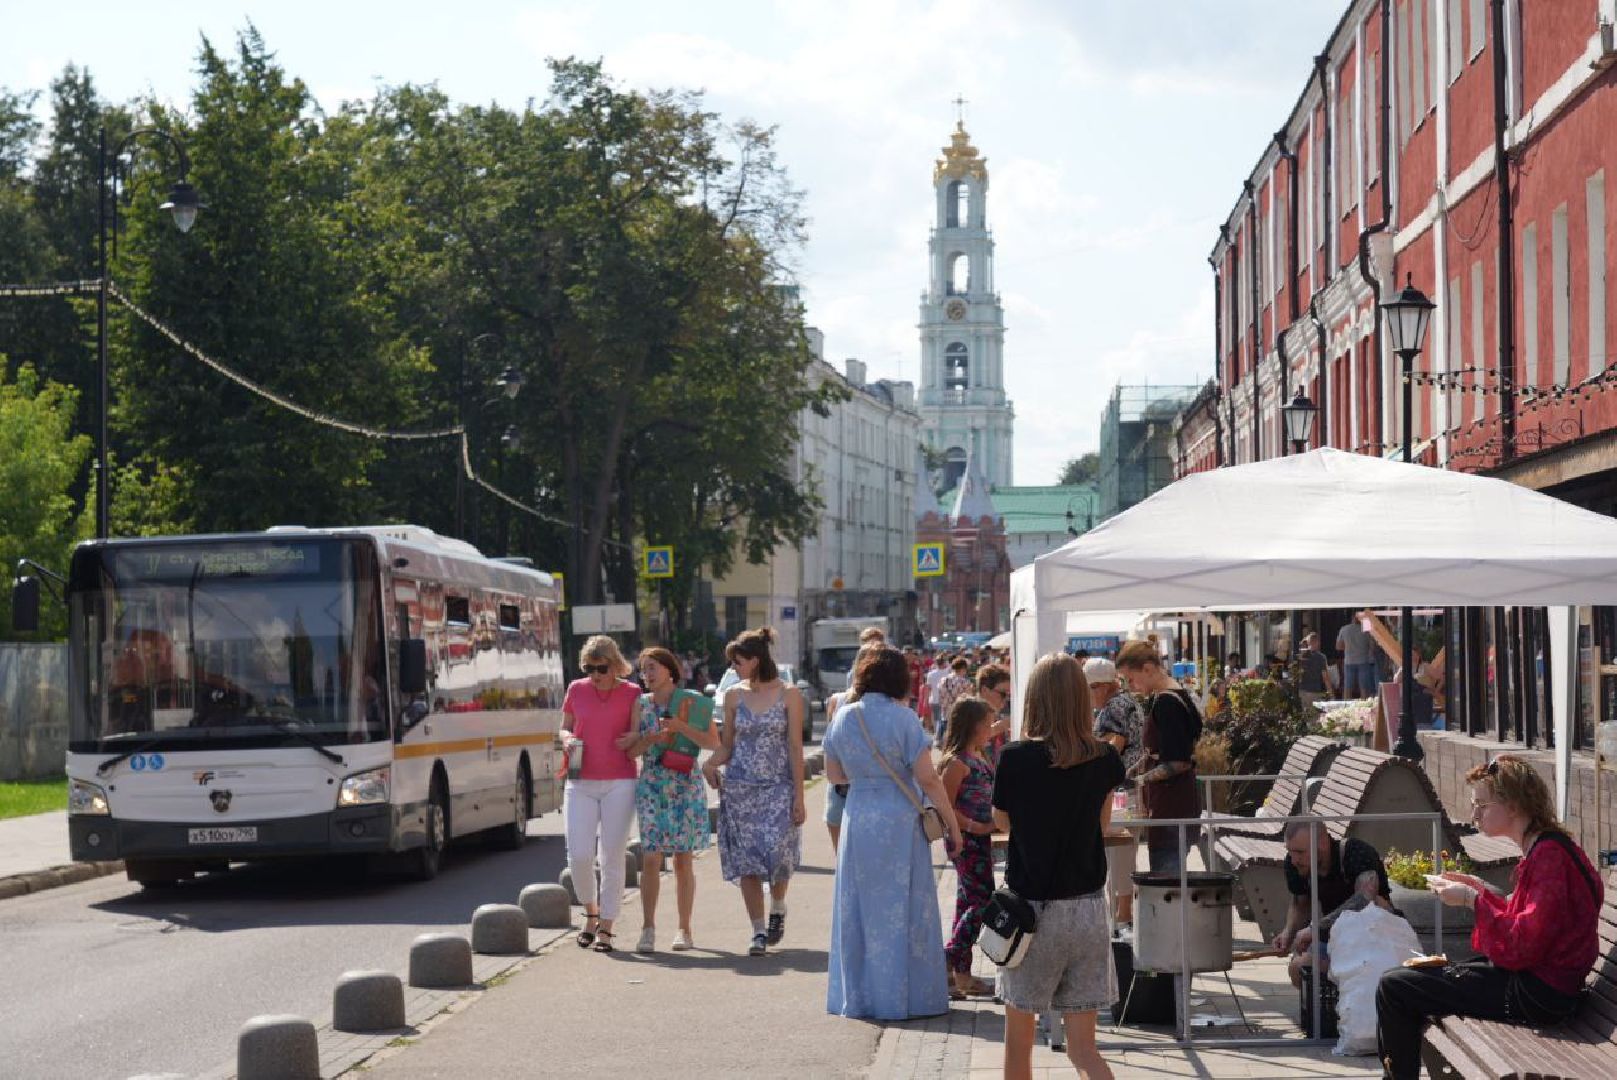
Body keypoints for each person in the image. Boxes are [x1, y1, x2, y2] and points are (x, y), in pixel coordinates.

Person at [1376, 756, 1602, 1079]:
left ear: (1514, 805)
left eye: (1481, 805)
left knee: (1395, 987)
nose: (1474, 814)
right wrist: (1478, 888)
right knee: (1404, 979)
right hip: (1540, 986)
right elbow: (1530, 922)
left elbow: (1524, 943)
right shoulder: (1547, 847)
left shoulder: (1549, 857)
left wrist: (1471, 900)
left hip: (1538, 995)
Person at [992, 653, 1124, 1080]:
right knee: (1084, 1050)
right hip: (1087, 910)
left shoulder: (1014, 758)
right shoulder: (1104, 758)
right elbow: (1101, 825)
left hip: (1032, 911)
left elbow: (1002, 822)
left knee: (1019, 1046)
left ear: (1034, 699)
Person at [824, 645, 960, 1019]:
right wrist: (951, 824)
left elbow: (834, 774)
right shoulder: (904, 718)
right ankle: (909, 997)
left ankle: (860, 997)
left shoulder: (843, 716)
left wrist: (864, 779)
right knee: (906, 905)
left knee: (859, 906)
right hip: (900, 820)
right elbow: (928, 778)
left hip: (858, 815)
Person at [704, 627, 806, 957]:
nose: (733, 668)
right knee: (747, 861)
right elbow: (727, 745)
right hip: (740, 789)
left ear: (756, 660)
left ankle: (777, 905)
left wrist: (799, 796)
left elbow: (795, 747)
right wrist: (709, 764)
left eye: (738, 662)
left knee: (778, 854)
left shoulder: (789, 694)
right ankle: (758, 930)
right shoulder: (734, 696)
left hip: (778, 786)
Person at [625, 647, 720, 954]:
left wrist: (681, 728)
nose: (647, 674)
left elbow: (713, 742)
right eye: (643, 670)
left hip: (685, 782)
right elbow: (631, 752)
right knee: (651, 857)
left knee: (682, 859)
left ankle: (684, 929)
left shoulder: (692, 701)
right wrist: (651, 739)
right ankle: (648, 928)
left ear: (670, 670)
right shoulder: (640, 704)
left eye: (652, 667)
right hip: (653, 783)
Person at [561, 635, 642, 953]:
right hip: (580, 780)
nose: (595, 675)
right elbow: (564, 726)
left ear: (615, 665)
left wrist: (633, 737)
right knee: (579, 855)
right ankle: (591, 912)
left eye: (601, 668)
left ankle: (607, 926)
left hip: (620, 780)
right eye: (589, 668)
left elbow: (637, 732)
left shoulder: (632, 692)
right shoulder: (576, 689)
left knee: (611, 854)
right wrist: (566, 739)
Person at [1115, 639, 1203, 875]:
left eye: (1130, 679)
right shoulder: (1172, 694)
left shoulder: (1167, 703)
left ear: (1147, 668)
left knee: (1166, 879)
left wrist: (1140, 780)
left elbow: (1178, 761)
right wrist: (1133, 770)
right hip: (1173, 802)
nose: (1130, 687)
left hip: (1172, 805)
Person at [1270, 820, 1393, 987]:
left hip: (1374, 937)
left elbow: (1365, 900)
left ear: (1322, 843)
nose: (1294, 860)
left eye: (1300, 852)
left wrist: (1316, 929)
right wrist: (1288, 933)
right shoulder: (1295, 863)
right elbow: (1300, 904)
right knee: (1298, 968)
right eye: (1290, 852)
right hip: (1333, 938)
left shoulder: (1356, 853)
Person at [938, 696, 998, 999]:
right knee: (982, 902)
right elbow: (945, 807)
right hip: (966, 841)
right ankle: (948, 958)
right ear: (972, 726)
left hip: (981, 840)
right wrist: (976, 827)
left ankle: (961, 976)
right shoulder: (956, 763)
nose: (990, 729)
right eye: (986, 724)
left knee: (966, 904)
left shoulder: (979, 756)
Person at [1086, 656, 1143, 931]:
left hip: (1121, 791)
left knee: (1120, 854)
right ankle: (1121, 915)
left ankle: (1123, 916)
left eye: (1090, 689)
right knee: (1121, 853)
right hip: (1127, 789)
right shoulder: (1125, 702)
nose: (1088, 696)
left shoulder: (1115, 706)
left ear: (1103, 686)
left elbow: (1114, 745)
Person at [933, 656, 973, 747]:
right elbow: (969, 698)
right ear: (963, 668)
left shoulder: (943, 680)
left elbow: (940, 696)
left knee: (946, 737)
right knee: (956, 740)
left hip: (946, 712)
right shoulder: (964, 682)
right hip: (959, 714)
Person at [1336, 613, 1377, 699]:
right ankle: (1364, 705)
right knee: (1364, 688)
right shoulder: (1367, 629)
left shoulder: (1344, 629)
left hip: (1349, 661)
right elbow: (1372, 646)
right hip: (1363, 661)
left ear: (1352, 619)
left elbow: (1338, 646)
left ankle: (1346, 704)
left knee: (1348, 687)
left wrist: (1349, 647)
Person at [1296, 632, 1335, 711]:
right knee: (1315, 715)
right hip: (1315, 691)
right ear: (1317, 642)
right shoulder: (1321, 657)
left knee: (1305, 714)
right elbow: (1325, 677)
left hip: (1302, 691)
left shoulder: (1301, 657)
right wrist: (1331, 694)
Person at [924, 653, 950, 734]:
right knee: (944, 720)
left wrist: (925, 700)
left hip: (933, 699)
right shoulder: (948, 673)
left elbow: (928, 688)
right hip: (945, 700)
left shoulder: (930, 674)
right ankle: (942, 736)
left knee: (936, 719)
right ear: (944, 662)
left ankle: (936, 735)